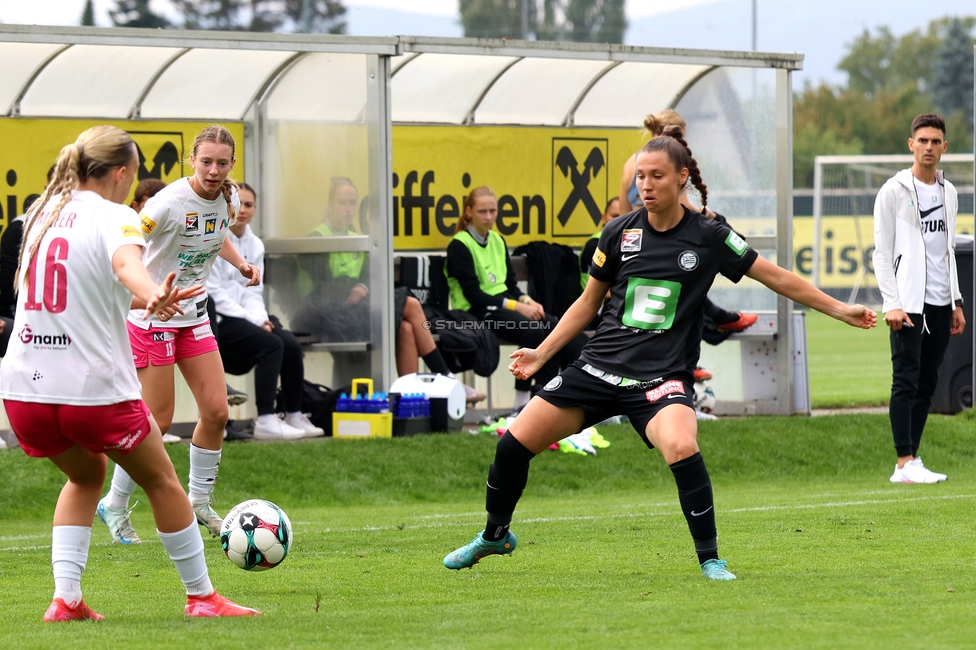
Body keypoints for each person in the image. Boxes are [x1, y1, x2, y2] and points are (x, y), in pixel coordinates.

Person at [443, 127, 876, 581]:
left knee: (682, 445)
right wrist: (541, 353)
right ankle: (495, 535)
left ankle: (710, 558)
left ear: (681, 178)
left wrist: (840, 309)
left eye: (656, 177)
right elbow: (588, 303)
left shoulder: (710, 235)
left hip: (661, 376)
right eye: (641, 178)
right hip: (598, 367)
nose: (645, 186)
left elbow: (777, 277)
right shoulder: (618, 232)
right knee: (513, 444)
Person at [0, 125, 258, 620]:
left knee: (85, 473)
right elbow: (127, 267)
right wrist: (152, 293)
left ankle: (66, 599)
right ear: (121, 174)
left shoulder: (39, 213)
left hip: (23, 390)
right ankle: (203, 598)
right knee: (163, 480)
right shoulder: (116, 214)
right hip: (89, 389)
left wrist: (147, 294)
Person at [96, 125, 260, 545]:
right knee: (159, 420)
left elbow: (215, 234)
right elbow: (127, 244)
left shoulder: (228, 197)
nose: (213, 170)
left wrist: (240, 264)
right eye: (206, 161)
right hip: (153, 318)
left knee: (217, 411)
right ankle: (114, 503)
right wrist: (146, 294)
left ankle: (200, 502)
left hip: (193, 315)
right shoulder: (166, 203)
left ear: (232, 164)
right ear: (192, 160)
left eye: (222, 163)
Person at [873, 113, 964, 485]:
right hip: (908, 304)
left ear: (945, 147)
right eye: (922, 140)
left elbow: (948, 250)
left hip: (943, 303)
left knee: (928, 382)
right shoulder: (894, 190)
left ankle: (913, 460)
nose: (929, 147)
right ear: (911, 144)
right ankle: (902, 461)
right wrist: (891, 302)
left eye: (935, 141)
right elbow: (881, 252)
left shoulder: (949, 192)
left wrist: (956, 300)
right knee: (905, 380)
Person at [445, 186, 588, 412]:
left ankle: (547, 391)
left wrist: (527, 301)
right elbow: (474, 295)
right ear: (469, 212)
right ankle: (521, 402)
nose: (489, 217)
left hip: (502, 306)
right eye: (483, 211)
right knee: (532, 329)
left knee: (555, 326)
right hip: (475, 312)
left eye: (493, 211)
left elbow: (510, 285)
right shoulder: (459, 245)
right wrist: (517, 306)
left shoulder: (497, 240)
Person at [618, 110, 756, 334]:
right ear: (672, 135)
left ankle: (715, 322)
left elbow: (623, 214)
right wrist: (715, 219)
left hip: (637, 244)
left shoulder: (631, 163)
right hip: (664, 238)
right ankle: (717, 322)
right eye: (681, 138)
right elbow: (686, 210)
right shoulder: (665, 165)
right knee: (692, 279)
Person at [206, 182, 324, 440]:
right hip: (220, 319)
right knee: (271, 345)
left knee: (290, 344)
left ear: (255, 208)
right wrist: (254, 321)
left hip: (248, 316)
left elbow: (253, 292)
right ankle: (266, 419)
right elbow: (215, 294)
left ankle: (294, 414)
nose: (243, 210)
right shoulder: (213, 237)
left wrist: (260, 319)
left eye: (249, 205)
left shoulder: (256, 245)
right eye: (239, 204)